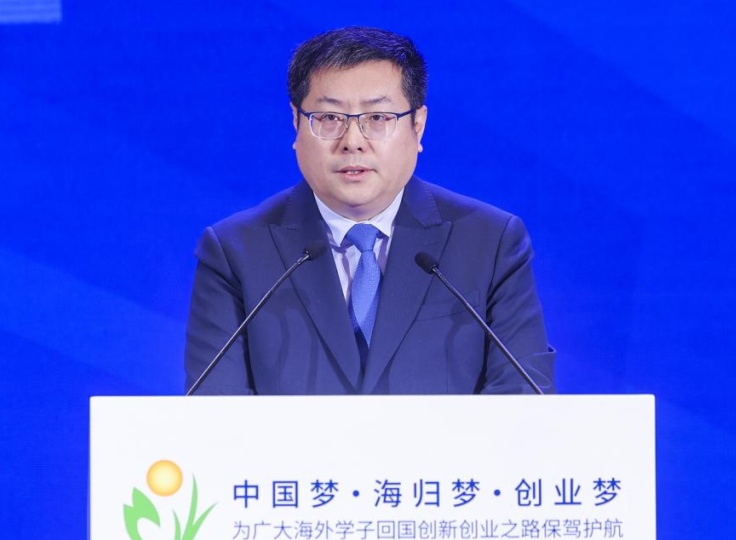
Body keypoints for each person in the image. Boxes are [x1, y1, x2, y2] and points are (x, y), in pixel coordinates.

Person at [184, 26, 555, 395]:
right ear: (296, 124)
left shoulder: (490, 243)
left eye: (377, 118)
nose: (353, 142)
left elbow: (523, 402)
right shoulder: (235, 252)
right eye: (329, 118)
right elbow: (215, 411)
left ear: (418, 126)